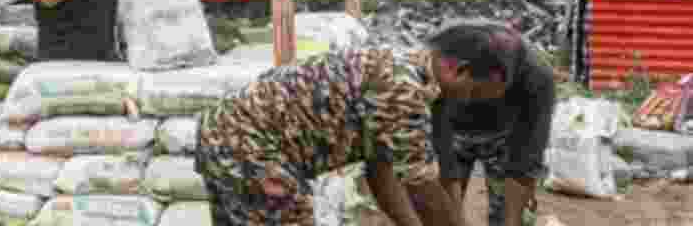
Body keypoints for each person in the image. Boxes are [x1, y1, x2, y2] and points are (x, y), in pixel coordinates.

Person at [194, 21, 519, 226]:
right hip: (249, 147)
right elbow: (421, 184)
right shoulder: (403, 89)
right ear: (458, 70)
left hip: (227, 137)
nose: (468, 102)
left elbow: (380, 171)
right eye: (474, 92)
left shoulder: (401, 71)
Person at [436, 25, 554, 226]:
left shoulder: (537, 77)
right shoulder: (443, 62)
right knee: (440, 214)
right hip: (452, 130)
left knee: (508, 217)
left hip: (504, 137)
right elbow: (441, 152)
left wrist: (512, 220)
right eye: (473, 91)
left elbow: (527, 158)